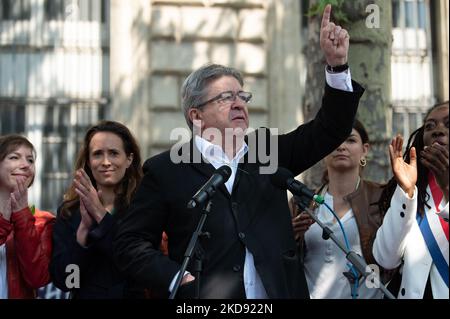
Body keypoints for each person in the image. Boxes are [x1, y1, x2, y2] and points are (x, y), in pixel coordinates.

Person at [114, 5, 365, 298]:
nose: (239, 104)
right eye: (226, 97)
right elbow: (130, 242)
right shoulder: (166, 169)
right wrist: (175, 278)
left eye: (242, 96)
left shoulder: (268, 150)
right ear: (196, 115)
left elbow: (330, 130)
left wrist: (336, 66)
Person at [49, 120, 160, 298]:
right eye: (98, 154)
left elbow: (137, 265)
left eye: (114, 153)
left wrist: (100, 216)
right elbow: (65, 281)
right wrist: (83, 234)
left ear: (129, 159)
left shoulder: (143, 207)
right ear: (89, 161)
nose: (106, 162)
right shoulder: (69, 211)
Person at [290, 119, 392, 299]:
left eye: (350, 140)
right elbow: (278, 262)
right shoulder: (301, 201)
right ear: (322, 151)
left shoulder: (382, 198)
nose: (341, 146)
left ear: (365, 150)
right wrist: (290, 235)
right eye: (334, 140)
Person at [374, 101, 449, 299]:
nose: (437, 130)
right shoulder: (416, 189)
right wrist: (405, 191)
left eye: (448, 124)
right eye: (429, 126)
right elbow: (386, 258)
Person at [0, 134, 55, 299]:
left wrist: (22, 214)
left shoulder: (44, 221)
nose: (25, 165)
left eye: (30, 160)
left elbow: (37, 278)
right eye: (14, 157)